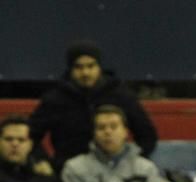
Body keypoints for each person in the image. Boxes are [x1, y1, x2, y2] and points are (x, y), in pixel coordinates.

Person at [30, 40, 157, 172]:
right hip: (66, 172)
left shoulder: (121, 95)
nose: (85, 73)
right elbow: (30, 135)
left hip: (116, 172)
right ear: (70, 69)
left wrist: (131, 161)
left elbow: (147, 136)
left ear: (99, 67)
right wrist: (41, 160)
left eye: (91, 66)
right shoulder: (54, 99)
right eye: (79, 67)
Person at [61, 105, 169, 182]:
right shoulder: (75, 167)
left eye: (113, 126)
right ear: (94, 133)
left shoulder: (146, 168)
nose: (107, 132)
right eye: (101, 127)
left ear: (125, 132)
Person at [0, 115, 59, 182]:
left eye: (21, 140)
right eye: (8, 139)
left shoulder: (43, 172)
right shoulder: (43, 180)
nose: (15, 144)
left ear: (30, 145)